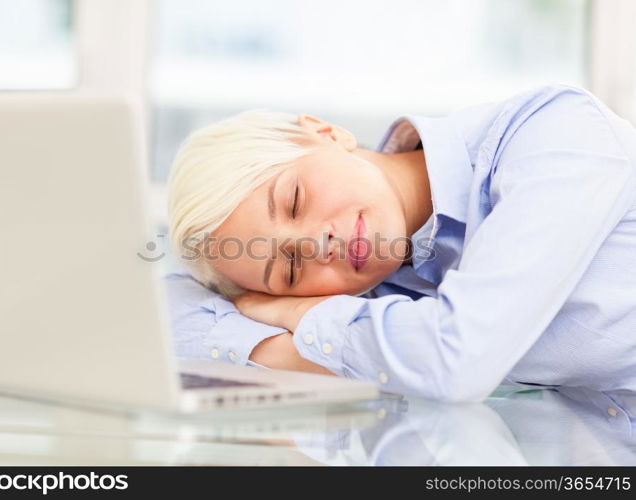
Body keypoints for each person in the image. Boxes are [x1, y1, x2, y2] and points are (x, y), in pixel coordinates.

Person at [164, 83, 636, 405]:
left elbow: (457, 362)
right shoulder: (381, 294)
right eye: (289, 269)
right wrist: (283, 350)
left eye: (293, 201)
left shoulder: (552, 130)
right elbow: (164, 312)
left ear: (325, 132)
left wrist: (296, 317)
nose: (318, 245)